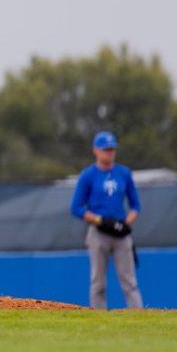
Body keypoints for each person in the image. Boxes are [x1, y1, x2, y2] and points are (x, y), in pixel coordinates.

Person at [70, 130, 143, 309]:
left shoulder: (123, 173)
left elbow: (136, 206)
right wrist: (99, 220)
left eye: (111, 149)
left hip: (120, 232)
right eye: (105, 149)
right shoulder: (88, 175)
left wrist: (126, 223)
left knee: (130, 282)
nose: (109, 153)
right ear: (96, 150)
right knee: (98, 283)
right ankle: (98, 318)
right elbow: (76, 208)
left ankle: (139, 317)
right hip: (98, 231)